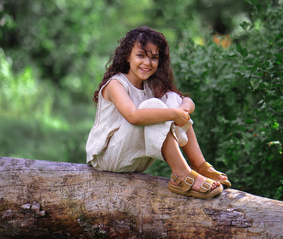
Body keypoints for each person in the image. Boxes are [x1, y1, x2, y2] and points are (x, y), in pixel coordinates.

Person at [86, 27, 231, 199]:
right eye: (141, 55)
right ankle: (182, 174)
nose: (147, 63)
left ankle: (198, 165)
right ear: (127, 56)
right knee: (154, 107)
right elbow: (133, 116)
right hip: (109, 158)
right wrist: (173, 114)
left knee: (171, 98)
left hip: (133, 158)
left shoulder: (150, 85)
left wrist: (180, 111)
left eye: (154, 57)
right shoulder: (116, 84)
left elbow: (187, 101)